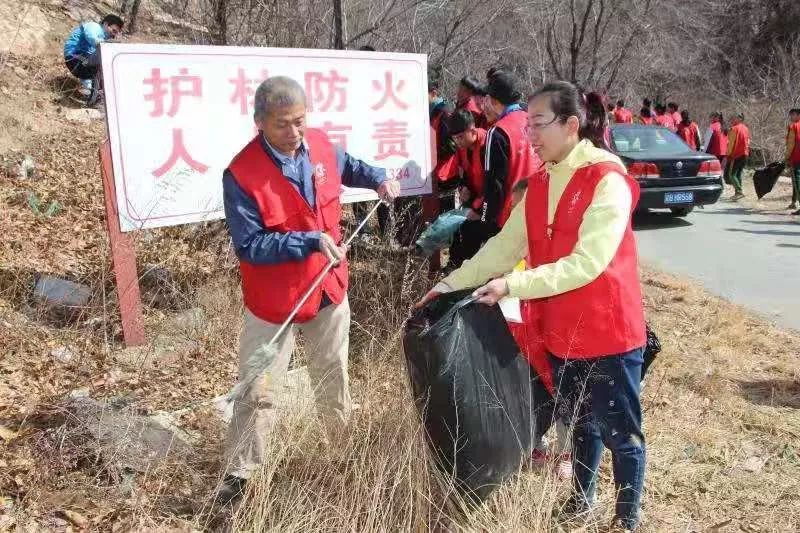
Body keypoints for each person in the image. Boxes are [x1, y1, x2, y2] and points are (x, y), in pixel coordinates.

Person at [418, 81, 647, 530]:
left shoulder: (607, 180)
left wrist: (513, 285)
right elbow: (504, 248)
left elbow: (588, 263)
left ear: (572, 125)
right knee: (581, 423)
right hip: (560, 327)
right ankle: (582, 499)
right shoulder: (541, 181)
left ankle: (627, 517)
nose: (530, 136)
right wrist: (449, 284)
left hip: (607, 329)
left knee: (621, 432)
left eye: (538, 124)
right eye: (529, 126)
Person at [217, 76, 400, 504]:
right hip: (274, 304)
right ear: (259, 122)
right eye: (283, 124)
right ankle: (240, 476)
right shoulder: (242, 174)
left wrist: (378, 178)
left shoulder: (318, 144)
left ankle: (341, 452)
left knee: (333, 375)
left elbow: (349, 166)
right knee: (258, 389)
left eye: (301, 121)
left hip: (329, 291)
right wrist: (309, 241)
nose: (295, 132)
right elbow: (250, 246)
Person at [504, 179, 572, 482]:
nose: (519, 217)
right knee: (531, 393)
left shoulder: (559, 245)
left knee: (564, 393)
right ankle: (535, 444)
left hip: (556, 332)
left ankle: (568, 453)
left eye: (525, 210)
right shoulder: (510, 250)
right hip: (524, 340)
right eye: (514, 210)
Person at [446, 69, 540, 270]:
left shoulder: (497, 132)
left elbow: (494, 186)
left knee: (499, 274)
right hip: (534, 213)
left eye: (486, 99)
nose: (482, 105)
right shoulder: (532, 122)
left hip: (506, 218)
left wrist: (485, 221)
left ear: (495, 101)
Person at [445, 110, 488, 267]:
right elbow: (464, 171)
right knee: (467, 236)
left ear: (472, 129)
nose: (458, 142)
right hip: (474, 197)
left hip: (490, 200)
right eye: (454, 138)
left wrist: (477, 209)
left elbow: (495, 183)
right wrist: (464, 187)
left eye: (460, 137)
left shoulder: (488, 143)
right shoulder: (462, 147)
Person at [63, 14, 123, 104]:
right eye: (113, 30)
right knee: (101, 61)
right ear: (106, 24)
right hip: (74, 55)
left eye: (115, 33)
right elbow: (91, 37)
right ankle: (94, 99)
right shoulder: (94, 26)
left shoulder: (103, 37)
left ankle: (99, 95)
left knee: (105, 66)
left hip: (83, 60)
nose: (113, 34)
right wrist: (107, 44)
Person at [725, 113, 751, 201]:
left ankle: (739, 192)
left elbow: (731, 143)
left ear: (739, 119)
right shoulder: (746, 128)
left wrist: (728, 154)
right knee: (738, 174)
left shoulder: (734, 129)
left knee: (732, 174)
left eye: (734, 118)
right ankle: (737, 193)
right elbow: (748, 141)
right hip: (745, 153)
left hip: (737, 154)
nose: (732, 119)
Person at [784, 108, 800, 212]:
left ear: (798, 115)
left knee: (796, 180)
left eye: (792, 115)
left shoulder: (793, 126)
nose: (791, 117)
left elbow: (790, 145)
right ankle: (793, 202)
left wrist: (787, 157)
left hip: (796, 157)